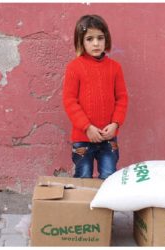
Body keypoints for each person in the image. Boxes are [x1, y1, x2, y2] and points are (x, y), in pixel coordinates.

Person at [63, 15, 128, 179]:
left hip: (108, 138)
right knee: (83, 178)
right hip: (83, 138)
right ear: (80, 41)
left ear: (106, 38)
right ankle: (82, 206)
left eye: (100, 38)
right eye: (89, 39)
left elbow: (122, 98)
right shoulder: (74, 68)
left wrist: (115, 124)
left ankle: (107, 206)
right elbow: (69, 101)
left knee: (109, 177)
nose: (96, 43)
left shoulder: (115, 68)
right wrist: (87, 127)